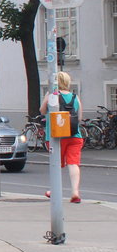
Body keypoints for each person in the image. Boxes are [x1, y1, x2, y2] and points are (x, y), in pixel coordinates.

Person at [41, 71, 83, 203]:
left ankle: (54, 191)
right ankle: (75, 192)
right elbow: (80, 117)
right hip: (75, 135)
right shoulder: (75, 97)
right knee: (73, 163)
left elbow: (42, 110)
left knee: (56, 164)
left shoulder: (52, 95)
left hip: (57, 136)